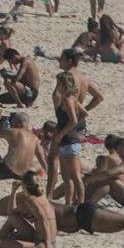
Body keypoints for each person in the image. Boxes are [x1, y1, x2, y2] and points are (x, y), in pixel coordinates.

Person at [46, 71, 87, 207]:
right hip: (67, 141)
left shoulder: (69, 99)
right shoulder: (69, 98)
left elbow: (74, 119)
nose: (56, 85)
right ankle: (68, 204)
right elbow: (84, 113)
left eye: (59, 83)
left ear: (64, 84)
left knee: (75, 176)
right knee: (67, 177)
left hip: (69, 141)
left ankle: (81, 204)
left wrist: (62, 133)